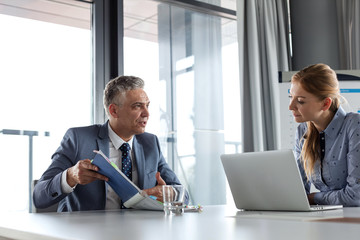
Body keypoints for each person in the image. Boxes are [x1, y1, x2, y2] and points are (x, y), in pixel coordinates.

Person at [33, 75, 188, 212]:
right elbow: (39, 196)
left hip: (138, 232)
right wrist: (70, 176)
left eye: (147, 105)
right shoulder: (78, 139)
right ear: (114, 111)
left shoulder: (150, 143)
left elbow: (182, 194)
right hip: (86, 233)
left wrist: (169, 194)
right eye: (137, 106)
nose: (147, 113)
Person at [289, 63, 360, 207]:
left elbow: (355, 196)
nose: (291, 106)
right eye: (291, 97)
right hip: (326, 219)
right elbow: (299, 193)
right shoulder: (303, 131)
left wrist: (314, 198)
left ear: (325, 104)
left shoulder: (354, 125)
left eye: (300, 101)